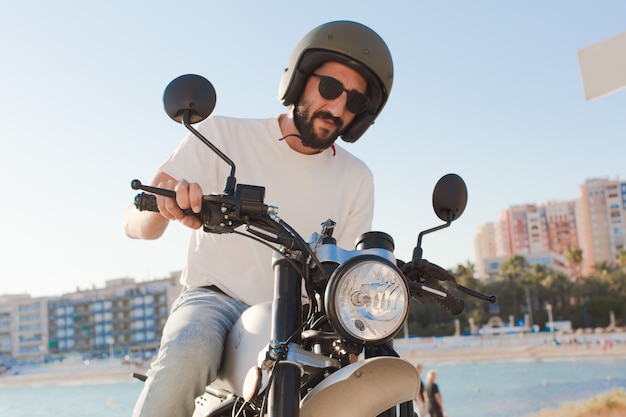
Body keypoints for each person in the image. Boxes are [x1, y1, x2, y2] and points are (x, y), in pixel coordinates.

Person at [124, 20, 393, 417]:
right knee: (187, 352)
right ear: (299, 80)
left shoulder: (357, 178)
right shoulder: (220, 135)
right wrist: (163, 206)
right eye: (331, 88)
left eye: (354, 102)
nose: (337, 108)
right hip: (217, 301)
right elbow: (134, 223)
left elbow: (345, 274)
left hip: (300, 318)